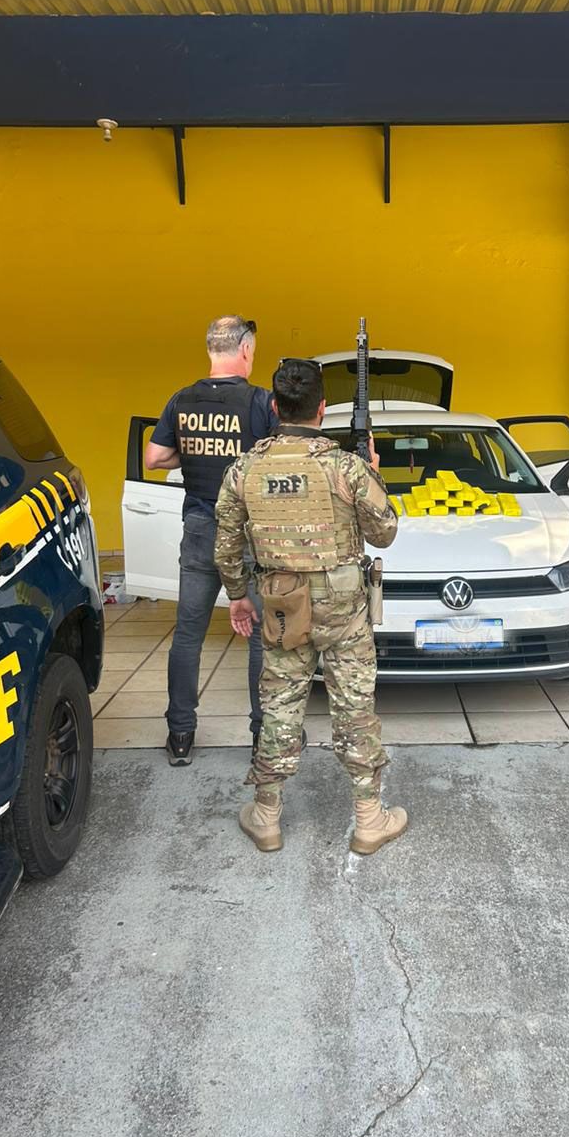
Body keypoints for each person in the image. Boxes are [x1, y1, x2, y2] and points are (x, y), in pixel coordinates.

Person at [214, 357, 405, 856]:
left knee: (280, 706)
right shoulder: (345, 467)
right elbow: (385, 532)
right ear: (322, 408)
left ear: (275, 406)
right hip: (344, 606)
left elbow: (227, 545)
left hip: (282, 604)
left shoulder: (245, 468)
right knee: (355, 706)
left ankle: (267, 816)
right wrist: (372, 474)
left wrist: (238, 596)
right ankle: (368, 820)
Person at [145, 316, 275, 767]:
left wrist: (194, 451)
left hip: (200, 527)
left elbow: (154, 457)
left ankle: (180, 733)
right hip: (250, 534)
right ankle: (262, 736)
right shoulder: (261, 402)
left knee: (188, 635)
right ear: (244, 350)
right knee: (259, 635)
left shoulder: (182, 399)